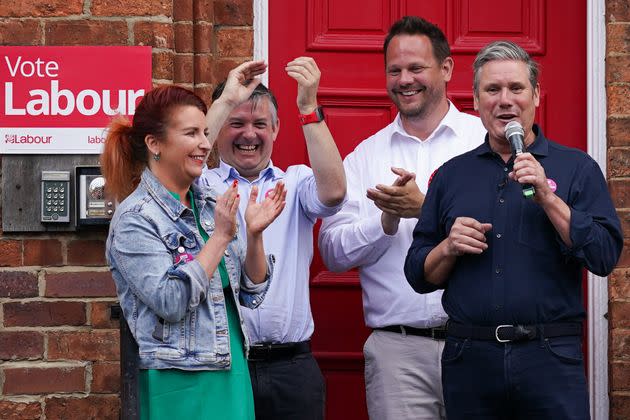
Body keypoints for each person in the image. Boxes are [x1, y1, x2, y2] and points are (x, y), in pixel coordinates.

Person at [404, 40, 623, 419]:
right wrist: (448, 247)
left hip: (550, 359)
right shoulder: (452, 176)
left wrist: (548, 199)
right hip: (470, 360)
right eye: (492, 90)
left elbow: (604, 256)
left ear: (535, 95)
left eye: (516, 88)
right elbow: (418, 275)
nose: (505, 100)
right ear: (475, 100)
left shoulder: (576, 169)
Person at [318, 16, 486, 419]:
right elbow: (332, 253)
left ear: (445, 69)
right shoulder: (365, 156)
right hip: (398, 353)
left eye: (415, 68)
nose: (404, 79)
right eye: (394, 70)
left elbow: (509, 231)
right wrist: (384, 222)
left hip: (480, 344)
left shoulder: (482, 140)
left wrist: (423, 208)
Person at [103, 61, 287, 420]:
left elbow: (251, 293)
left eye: (205, 132)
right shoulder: (136, 219)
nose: (205, 144)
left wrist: (253, 234)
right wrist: (220, 237)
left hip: (230, 373)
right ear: (154, 144)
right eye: (192, 134)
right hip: (179, 382)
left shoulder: (205, 204)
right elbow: (171, 301)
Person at [198, 56, 346, 420]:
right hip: (224, 366)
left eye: (259, 124)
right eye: (236, 123)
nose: (249, 134)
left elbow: (335, 192)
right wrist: (224, 101)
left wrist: (309, 107)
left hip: (291, 366)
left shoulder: (293, 183)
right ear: (218, 129)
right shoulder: (201, 184)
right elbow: (185, 156)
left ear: (277, 129)